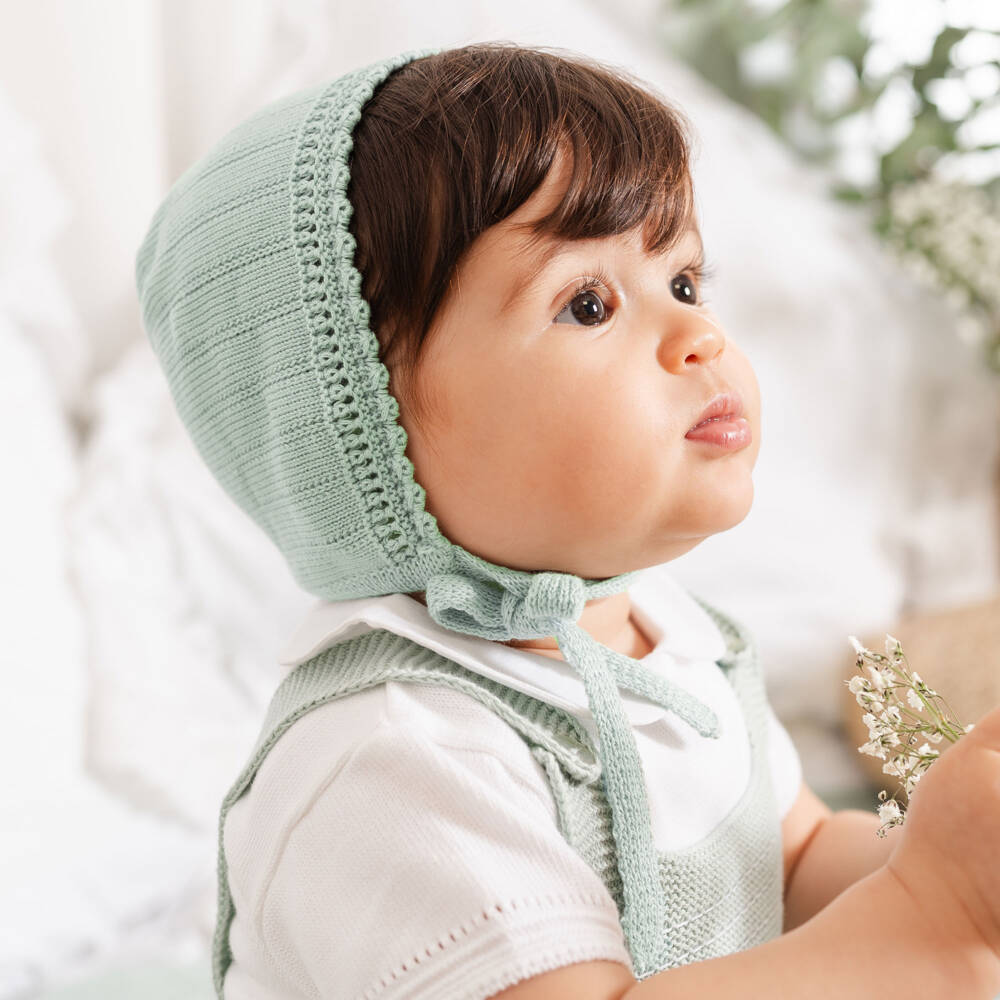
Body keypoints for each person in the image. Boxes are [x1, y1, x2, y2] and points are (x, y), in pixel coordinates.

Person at [135, 41, 1000, 1000]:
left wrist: (949, 863)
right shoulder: (398, 758)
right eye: (588, 304)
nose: (701, 334)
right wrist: (929, 915)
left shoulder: (674, 644)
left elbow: (791, 864)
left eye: (683, 281)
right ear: (362, 431)